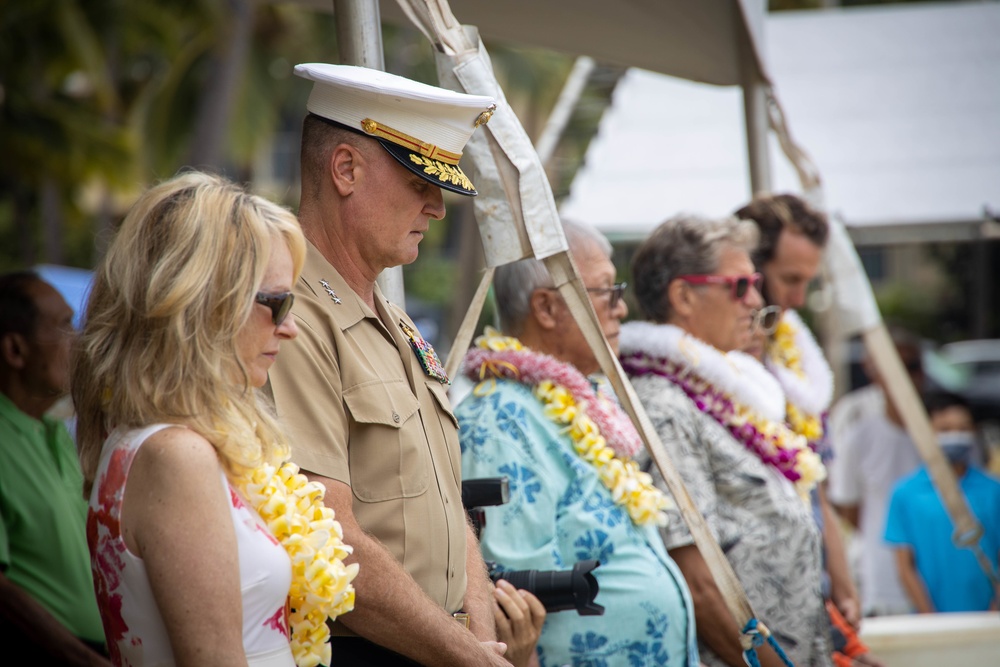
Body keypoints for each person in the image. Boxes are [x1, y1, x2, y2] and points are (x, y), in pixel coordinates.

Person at [265, 63, 510, 666]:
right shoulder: (286, 314)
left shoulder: (393, 321)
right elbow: (330, 535)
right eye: (419, 182)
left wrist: (479, 642)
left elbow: (449, 509)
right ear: (345, 169)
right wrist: (471, 656)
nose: (438, 208)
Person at [72, 171, 348, 666]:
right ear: (202, 304)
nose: (292, 330)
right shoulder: (176, 455)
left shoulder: (151, 442)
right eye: (277, 304)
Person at [456, 221, 699, 667]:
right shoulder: (500, 417)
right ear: (547, 308)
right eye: (607, 291)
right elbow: (511, 605)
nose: (621, 309)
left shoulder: (589, 398)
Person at [620, 213, 831, 667]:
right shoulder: (662, 403)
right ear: (683, 296)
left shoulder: (723, 394)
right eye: (739, 286)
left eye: (755, 282)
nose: (756, 300)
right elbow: (698, 581)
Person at [734, 193, 863, 631]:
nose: (798, 298)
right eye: (789, 279)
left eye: (808, 281)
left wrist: (842, 584)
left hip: (814, 591)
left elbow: (816, 482)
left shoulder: (794, 354)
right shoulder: (713, 360)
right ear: (749, 268)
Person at [0, 271, 110, 666]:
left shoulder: (53, 429)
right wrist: (77, 656)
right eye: (64, 326)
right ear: (15, 350)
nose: (77, 342)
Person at [826, 328, 925, 617]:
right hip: (882, 575)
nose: (906, 376)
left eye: (913, 367)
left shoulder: (942, 423)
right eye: (896, 367)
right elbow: (846, 505)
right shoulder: (856, 417)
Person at [885, 391, 1000, 613]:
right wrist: (929, 618)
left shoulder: (993, 490)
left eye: (963, 428)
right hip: (930, 623)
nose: (955, 435)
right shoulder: (905, 493)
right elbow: (904, 567)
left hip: (989, 622)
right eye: (945, 429)